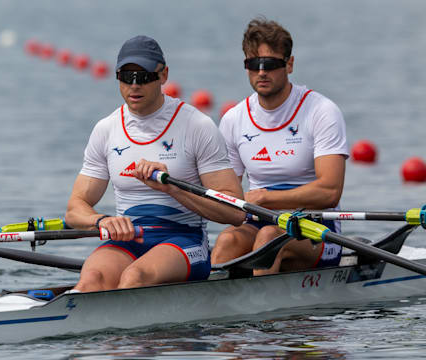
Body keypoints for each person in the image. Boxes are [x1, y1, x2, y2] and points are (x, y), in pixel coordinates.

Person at [65, 35, 245, 292]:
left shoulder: (197, 126)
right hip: (129, 239)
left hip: (185, 240)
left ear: (163, 75)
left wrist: (174, 188)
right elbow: (74, 209)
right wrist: (102, 221)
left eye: (144, 76)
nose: (134, 86)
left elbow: (235, 212)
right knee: (91, 281)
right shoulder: (106, 130)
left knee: (134, 278)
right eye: (127, 77)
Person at [212, 17, 349, 275]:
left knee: (268, 239)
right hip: (259, 221)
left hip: (317, 228)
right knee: (226, 241)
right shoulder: (233, 119)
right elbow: (225, 193)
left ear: (290, 64)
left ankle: (264, 315)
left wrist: (266, 198)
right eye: (254, 64)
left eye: (271, 64)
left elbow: (330, 192)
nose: (262, 72)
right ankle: (211, 312)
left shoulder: (321, 111)